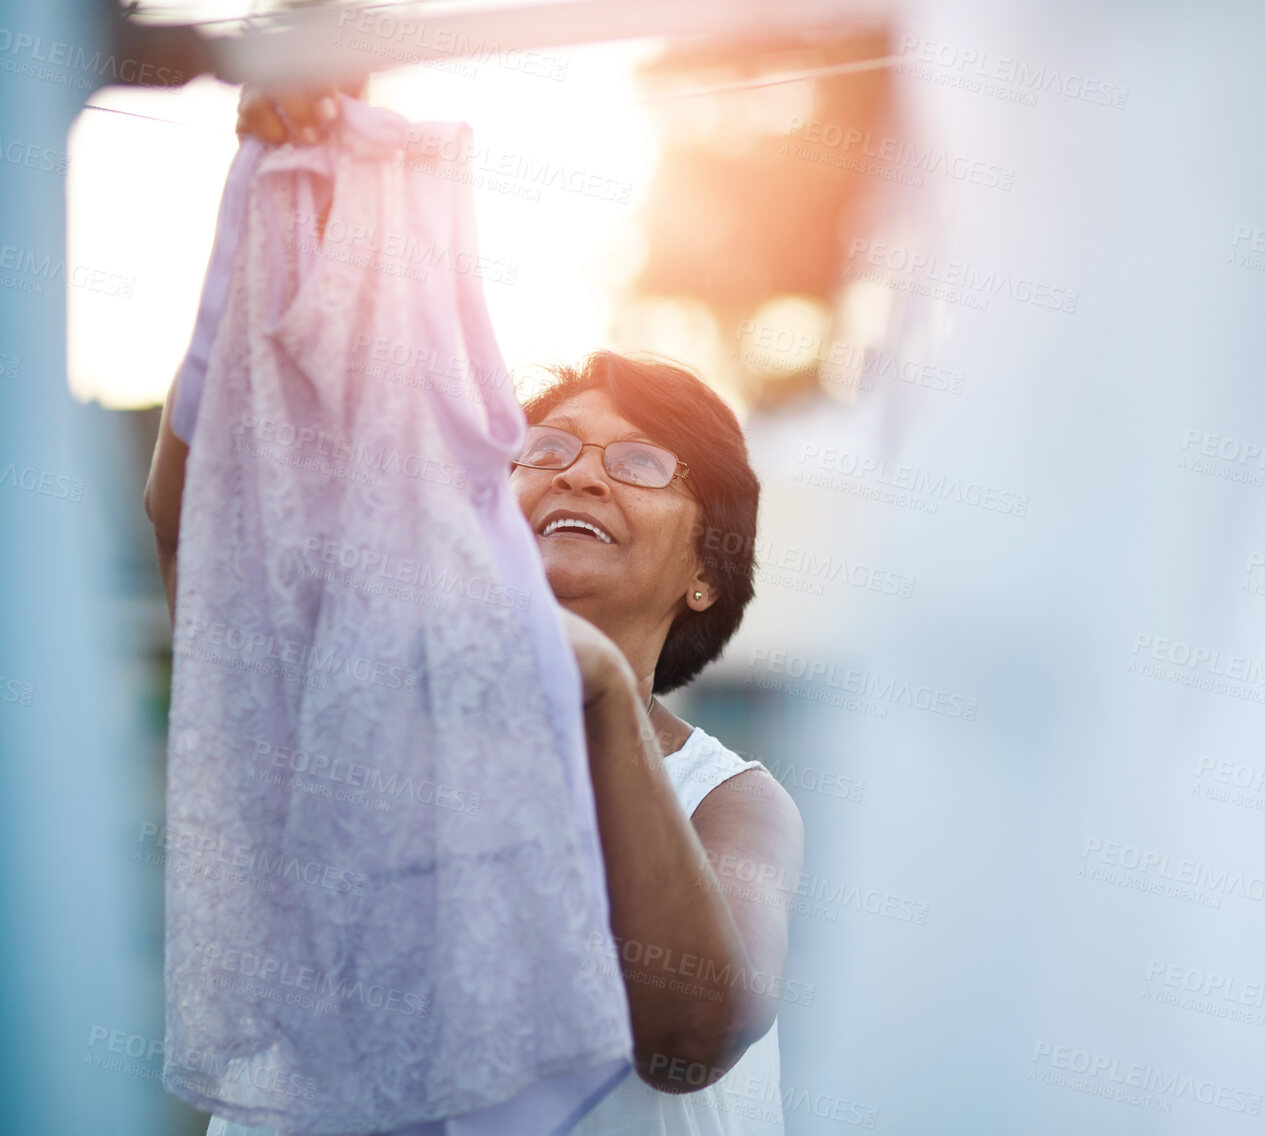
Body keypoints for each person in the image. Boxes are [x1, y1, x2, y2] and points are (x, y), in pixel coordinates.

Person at [142, 85, 805, 1136]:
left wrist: (593, 694)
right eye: (545, 452)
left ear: (705, 572)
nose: (580, 475)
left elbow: (689, 1036)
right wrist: (264, 227)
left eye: (637, 461)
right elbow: (197, 524)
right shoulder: (352, 710)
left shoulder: (729, 798)